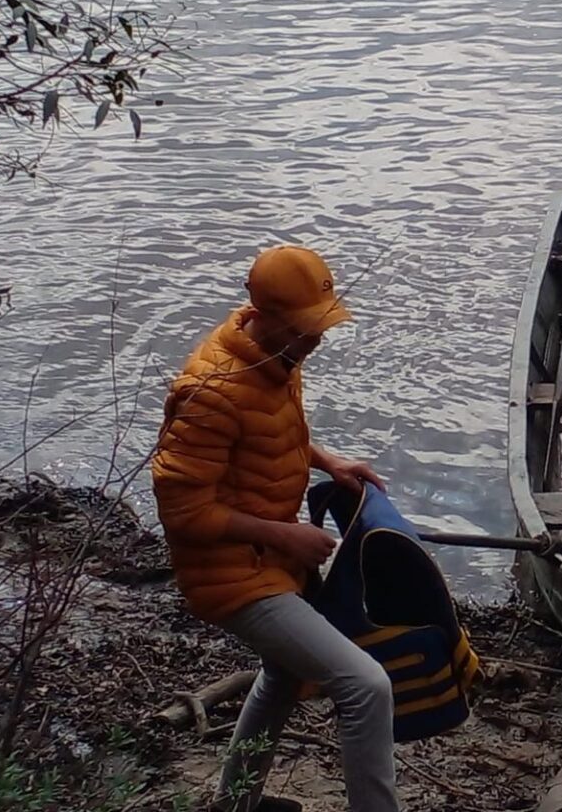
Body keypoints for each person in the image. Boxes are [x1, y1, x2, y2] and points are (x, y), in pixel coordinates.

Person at [152, 246, 395, 812]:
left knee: (285, 676)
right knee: (365, 685)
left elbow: (267, 436)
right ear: (266, 315)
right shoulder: (211, 390)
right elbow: (183, 513)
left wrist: (328, 459)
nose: (317, 339)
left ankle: (235, 803)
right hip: (230, 574)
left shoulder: (276, 358)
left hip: (267, 558)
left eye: (319, 324)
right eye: (306, 328)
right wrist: (287, 536)